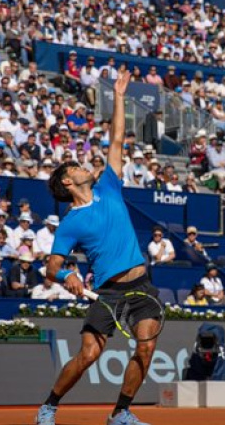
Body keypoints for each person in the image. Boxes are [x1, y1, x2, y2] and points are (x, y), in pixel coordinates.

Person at [39, 70, 162, 425]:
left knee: (147, 348)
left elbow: (117, 141)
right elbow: (51, 267)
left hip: (141, 286)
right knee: (89, 354)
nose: (83, 166)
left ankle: (120, 413)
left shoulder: (109, 186)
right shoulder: (70, 223)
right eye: (76, 166)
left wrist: (119, 98)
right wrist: (67, 275)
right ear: (68, 181)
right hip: (107, 292)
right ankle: (49, 406)